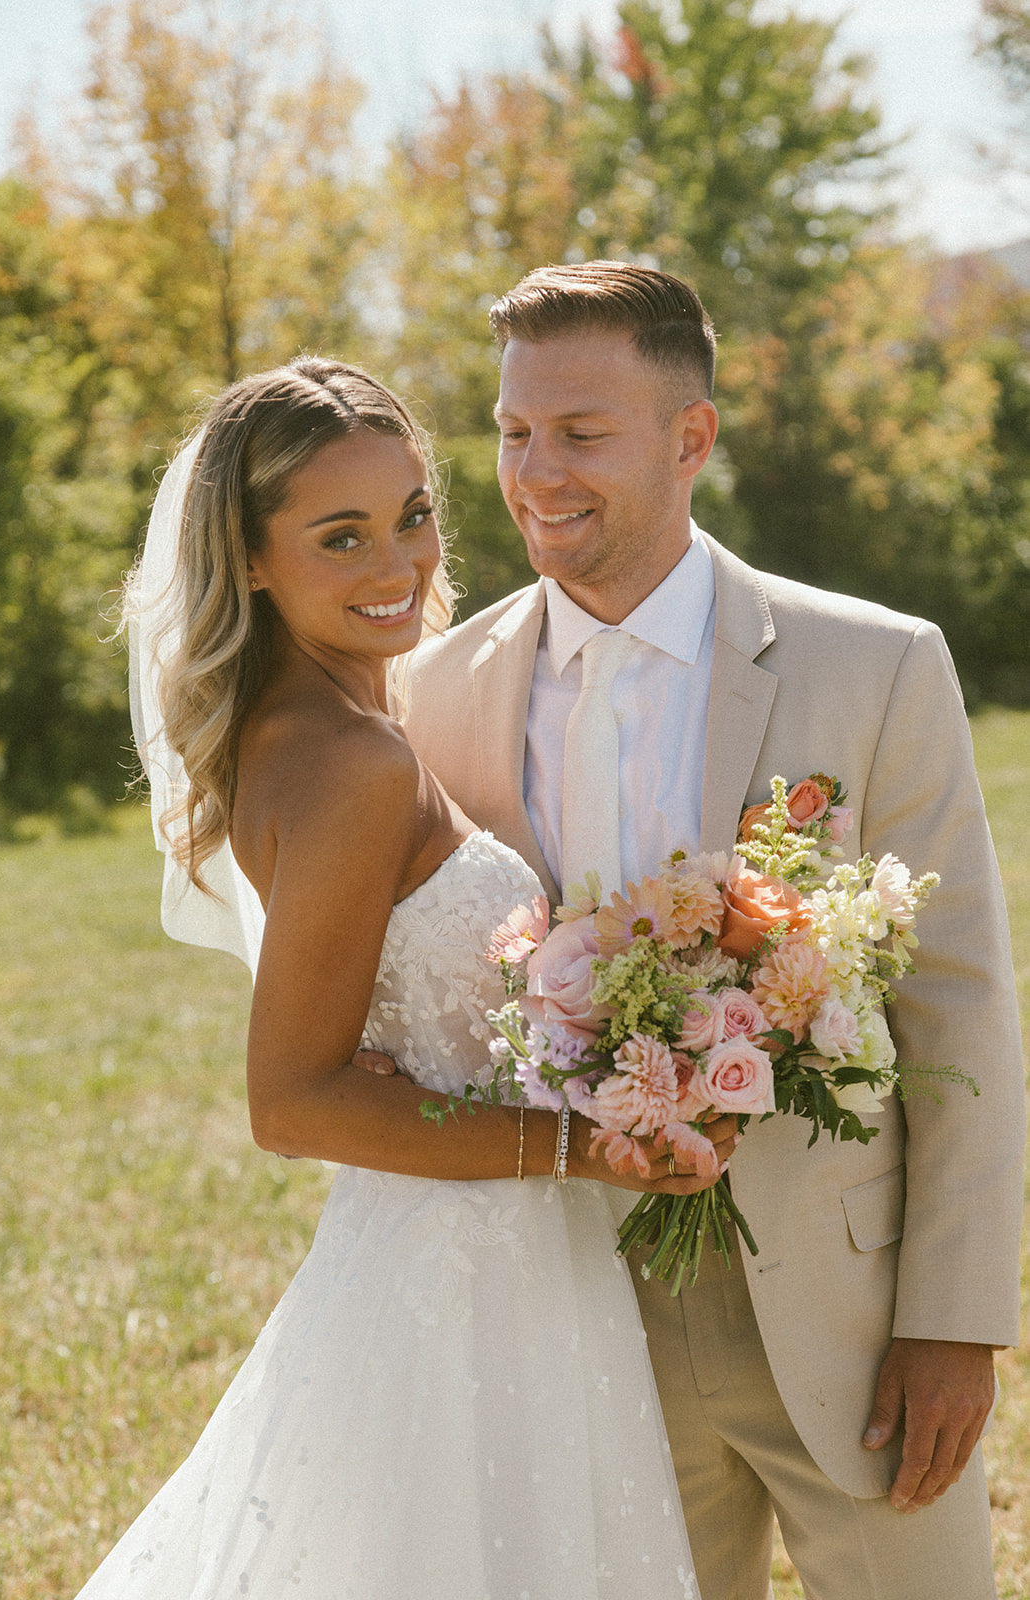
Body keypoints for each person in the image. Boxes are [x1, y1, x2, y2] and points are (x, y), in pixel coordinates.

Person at [404, 261, 1026, 1600]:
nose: (534, 473)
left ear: (690, 438)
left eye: (579, 433)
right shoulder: (436, 690)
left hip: (850, 1326)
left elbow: (959, 1002)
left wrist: (953, 1323)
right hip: (576, 1311)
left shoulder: (874, 664)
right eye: (512, 433)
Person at [75, 353, 735, 1600]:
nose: (397, 566)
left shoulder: (333, 722)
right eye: (342, 536)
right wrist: (576, 1145)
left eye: (413, 515)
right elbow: (295, 1100)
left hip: (486, 1247)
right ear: (253, 557)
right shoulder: (345, 764)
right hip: (457, 1270)